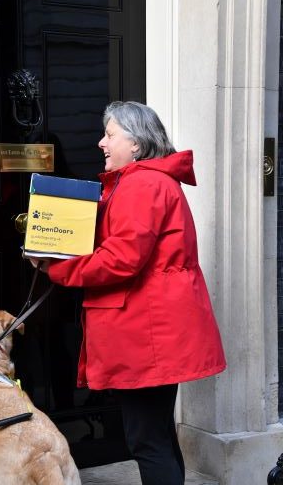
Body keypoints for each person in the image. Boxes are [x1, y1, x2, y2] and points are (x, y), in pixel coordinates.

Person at [27, 101, 226, 485]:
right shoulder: (151, 182)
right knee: (158, 436)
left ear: (136, 143)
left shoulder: (142, 184)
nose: (102, 142)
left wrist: (57, 267)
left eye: (111, 134)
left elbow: (121, 259)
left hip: (145, 333)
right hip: (155, 329)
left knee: (147, 442)